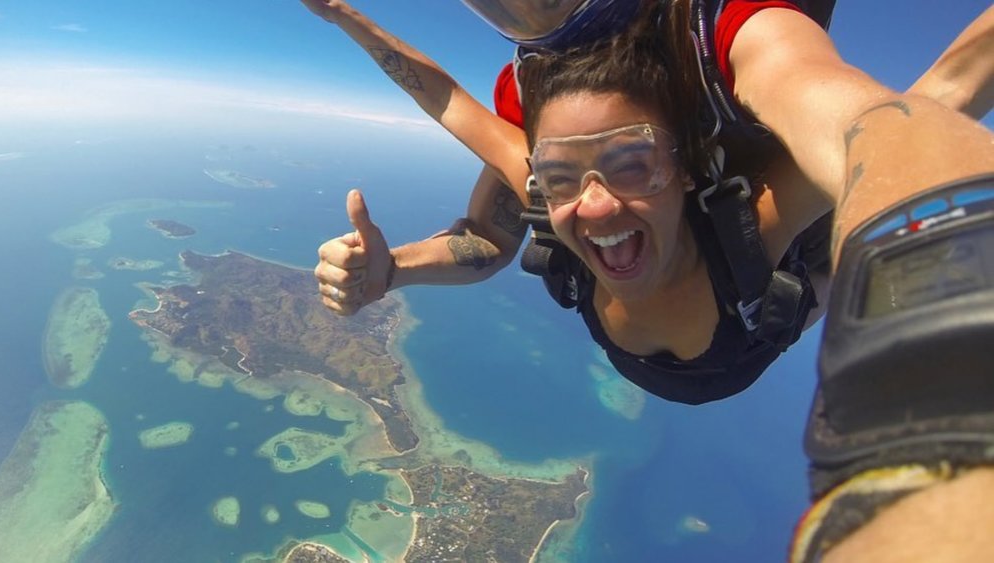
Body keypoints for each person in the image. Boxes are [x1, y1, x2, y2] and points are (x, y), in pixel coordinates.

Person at [303, 1, 994, 560]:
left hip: (746, 327)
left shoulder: (746, 226)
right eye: (564, 176)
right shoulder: (553, 192)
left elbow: (891, 124)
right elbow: (449, 104)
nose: (595, 204)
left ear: (686, 173)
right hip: (732, 325)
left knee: (820, 264)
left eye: (632, 164)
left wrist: (928, 396)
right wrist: (393, 272)